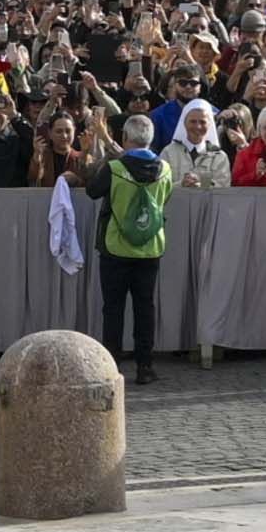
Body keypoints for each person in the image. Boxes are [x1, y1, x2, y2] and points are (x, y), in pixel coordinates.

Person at [91, 124, 174, 369]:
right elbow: (165, 199)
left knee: (113, 309)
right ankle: (145, 367)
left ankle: (111, 365)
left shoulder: (115, 168)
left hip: (115, 247)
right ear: (150, 139)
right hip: (150, 247)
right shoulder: (165, 169)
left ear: (125, 138)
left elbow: (92, 191)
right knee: (145, 307)